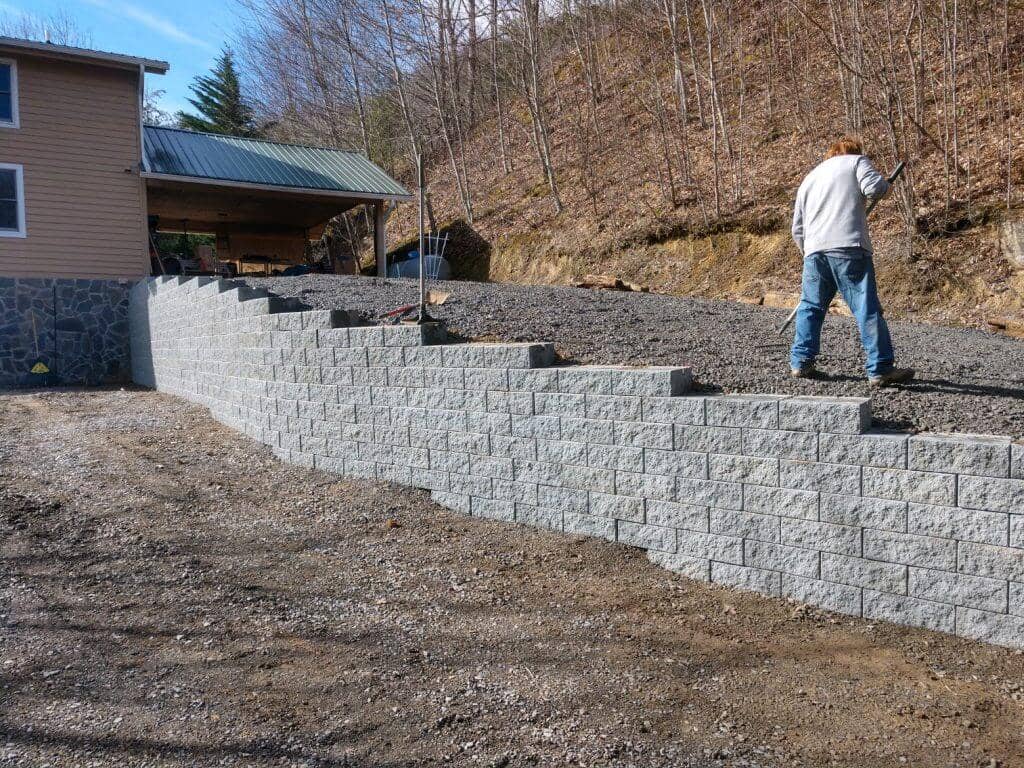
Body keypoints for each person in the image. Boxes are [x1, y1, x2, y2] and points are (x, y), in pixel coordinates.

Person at [789, 136, 914, 386]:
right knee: (865, 307)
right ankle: (879, 368)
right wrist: (887, 188)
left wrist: (810, 252)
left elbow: (797, 228)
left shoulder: (810, 177)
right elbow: (875, 189)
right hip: (848, 246)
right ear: (854, 151)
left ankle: (801, 362)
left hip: (815, 251)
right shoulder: (857, 162)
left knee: (811, 307)